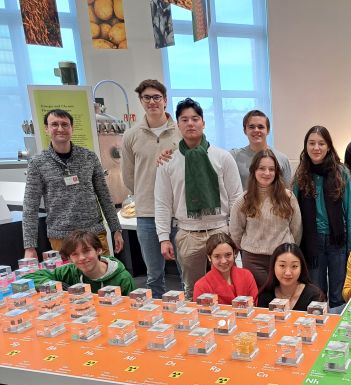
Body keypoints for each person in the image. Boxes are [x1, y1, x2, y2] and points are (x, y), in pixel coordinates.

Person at [155, 98, 243, 299]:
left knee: (230, 286)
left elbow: (237, 198)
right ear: (178, 125)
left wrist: (235, 234)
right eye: (184, 120)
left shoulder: (222, 157)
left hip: (220, 230)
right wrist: (163, 238)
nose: (190, 123)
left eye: (195, 119)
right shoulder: (168, 161)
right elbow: (162, 203)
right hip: (188, 233)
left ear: (203, 123)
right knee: (192, 291)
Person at [22, 109, 123, 259]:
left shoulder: (89, 157)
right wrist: (29, 246)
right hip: (61, 239)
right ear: (46, 129)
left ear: (72, 128)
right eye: (54, 124)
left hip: (94, 234)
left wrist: (116, 229)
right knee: (69, 275)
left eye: (65, 124)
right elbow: (30, 207)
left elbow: (104, 196)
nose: (60, 129)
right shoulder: (37, 163)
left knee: (104, 272)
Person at [121, 79, 182, 298]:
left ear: (165, 100)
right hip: (147, 213)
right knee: (154, 274)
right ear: (141, 101)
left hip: (178, 213)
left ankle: (188, 311)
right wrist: (145, 191)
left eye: (156, 97)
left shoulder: (181, 132)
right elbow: (129, 176)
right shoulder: (131, 135)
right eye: (146, 97)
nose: (152, 102)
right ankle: (158, 311)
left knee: (186, 271)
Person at [292, 126, 351, 308]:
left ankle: (338, 324)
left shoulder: (341, 172)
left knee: (339, 294)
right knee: (316, 294)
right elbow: (294, 213)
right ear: (306, 146)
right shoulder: (301, 175)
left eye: (321, 143)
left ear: (329, 146)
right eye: (312, 143)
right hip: (312, 243)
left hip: (338, 240)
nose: (316, 148)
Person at [230, 149, 302, 287]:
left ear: (276, 172)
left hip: (283, 259)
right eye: (262, 168)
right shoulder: (243, 200)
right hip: (253, 261)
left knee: (282, 297)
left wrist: (288, 251)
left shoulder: (288, 197)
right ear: (254, 170)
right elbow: (235, 233)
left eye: (271, 169)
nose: (267, 173)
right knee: (260, 297)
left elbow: (296, 230)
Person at [24, 230, 134, 295]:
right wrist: (55, 285)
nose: (81, 258)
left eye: (86, 251)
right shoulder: (69, 271)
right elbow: (29, 278)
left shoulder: (123, 278)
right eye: (75, 254)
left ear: (98, 250)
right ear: (69, 259)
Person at [230, 110, 292, 188]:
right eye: (251, 127)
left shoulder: (282, 159)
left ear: (268, 130)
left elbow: (287, 190)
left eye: (260, 127)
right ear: (245, 131)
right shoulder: (234, 157)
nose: (256, 130)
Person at [192, 232, 258, 305]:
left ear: (234, 254)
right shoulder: (201, 286)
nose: (223, 261)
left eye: (228, 255)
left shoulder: (247, 275)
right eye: (217, 256)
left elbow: (254, 305)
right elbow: (202, 311)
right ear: (209, 257)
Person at [257, 243, 324, 311]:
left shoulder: (314, 295)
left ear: (301, 268)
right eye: (282, 265)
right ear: (273, 266)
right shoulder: (265, 295)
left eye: (294, 266)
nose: (288, 273)